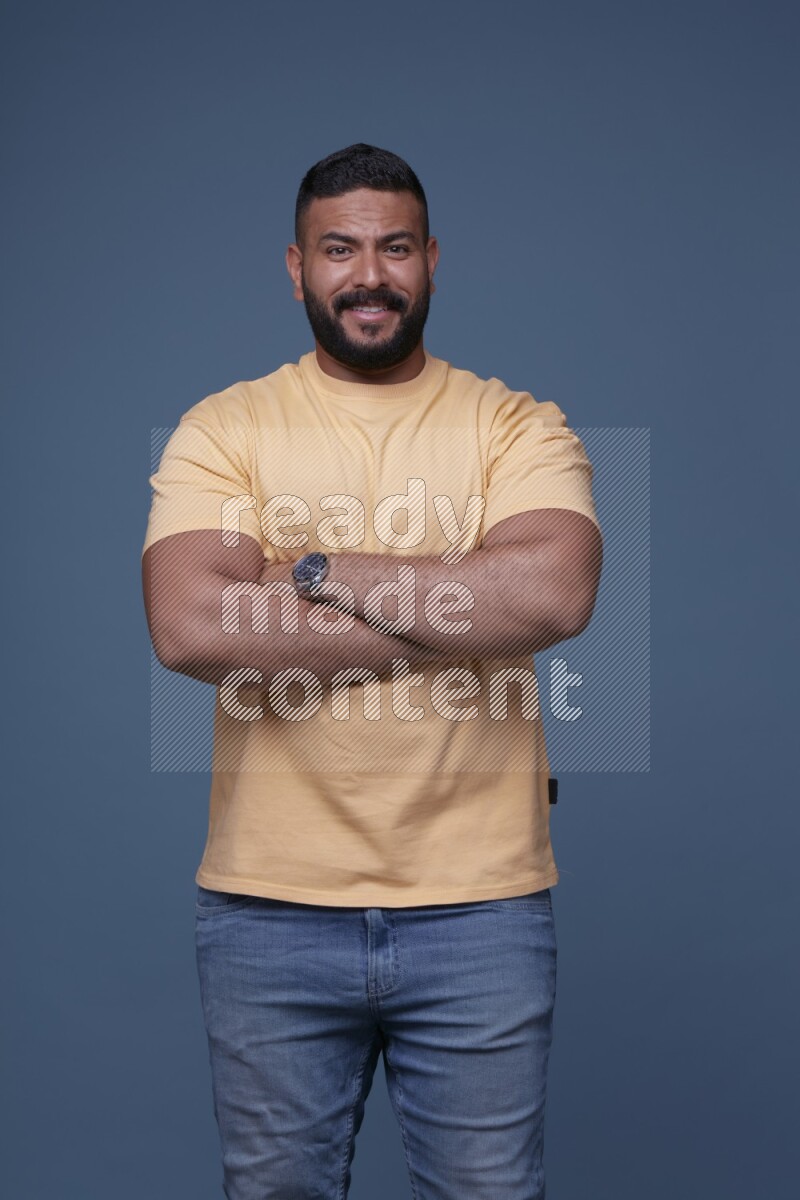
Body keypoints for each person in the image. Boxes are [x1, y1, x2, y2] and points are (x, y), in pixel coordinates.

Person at [142, 143, 603, 1200]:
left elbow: (552, 598)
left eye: (394, 247)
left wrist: (311, 573)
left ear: (431, 259)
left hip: (481, 907)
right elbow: (186, 626)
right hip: (267, 909)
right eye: (338, 248)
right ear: (295, 267)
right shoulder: (228, 429)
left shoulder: (512, 426)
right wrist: (463, 611)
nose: (368, 274)